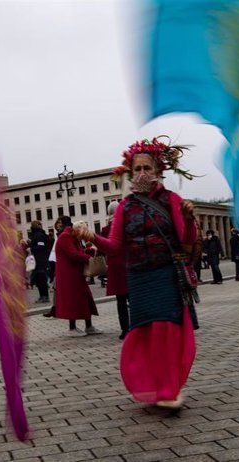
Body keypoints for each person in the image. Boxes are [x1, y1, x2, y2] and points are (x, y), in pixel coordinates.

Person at [76, 136, 198, 409]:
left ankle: (170, 388)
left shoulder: (171, 199)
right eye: (137, 169)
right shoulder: (125, 207)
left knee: (166, 329)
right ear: (131, 173)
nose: (142, 173)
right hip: (139, 276)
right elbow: (116, 247)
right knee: (144, 332)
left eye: (147, 168)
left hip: (166, 273)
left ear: (158, 171)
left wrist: (189, 220)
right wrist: (92, 237)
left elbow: (185, 239)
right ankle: (152, 385)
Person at [54, 217, 102, 336]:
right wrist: (88, 258)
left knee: (85, 298)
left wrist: (88, 252)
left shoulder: (72, 237)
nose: (82, 237)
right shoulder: (66, 237)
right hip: (69, 275)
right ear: (77, 230)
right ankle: (72, 328)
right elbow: (73, 254)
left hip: (75, 273)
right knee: (73, 300)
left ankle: (88, 326)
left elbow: (78, 252)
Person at [101, 201, 130, 339]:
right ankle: (137, 326)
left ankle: (125, 329)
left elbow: (103, 247)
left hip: (115, 266)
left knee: (120, 301)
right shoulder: (127, 226)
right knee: (133, 298)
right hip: (128, 264)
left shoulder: (106, 229)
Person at [29, 221, 51, 303]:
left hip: (39, 260)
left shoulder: (38, 235)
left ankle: (44, 296)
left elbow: (40, 247)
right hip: (40, 259)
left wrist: (31, 249)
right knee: (39, 279)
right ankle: (43, 296)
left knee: (41, 279)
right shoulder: (40, 234)